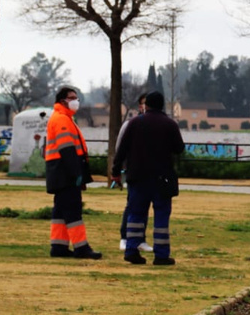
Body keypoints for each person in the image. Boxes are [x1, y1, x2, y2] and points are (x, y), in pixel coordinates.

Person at [113, 91, 184, 265]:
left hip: (137, 176)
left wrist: (115, 171)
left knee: (135, 214)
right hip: (162, 178)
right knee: (161, 216)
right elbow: (179, 148)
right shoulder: (169, 124)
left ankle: (131, 250)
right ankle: (161, 255)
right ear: (162, 105)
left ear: (146, 105)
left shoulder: (134, 123)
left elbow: (121, 149)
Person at [45, 86, 102, 259]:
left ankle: (59, 246)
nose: (76, 101)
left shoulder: (63, 118)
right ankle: (81, 247)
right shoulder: (62, 120)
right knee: (73, 210)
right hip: (65, 172)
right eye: (72, 98)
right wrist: (77, 174)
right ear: (62, 101)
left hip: (59, 172)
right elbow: (67, 149)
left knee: (61, 211)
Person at [111, 93, 154, 253]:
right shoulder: (131, 124)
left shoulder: (156, 124)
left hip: (150, 172)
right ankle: (125, 237)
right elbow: (120, 148)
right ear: (139, 106)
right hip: (134, 171)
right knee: (132, 205)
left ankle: (140, 238)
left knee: (144, 207)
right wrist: (119, 168)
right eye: (143, 103)